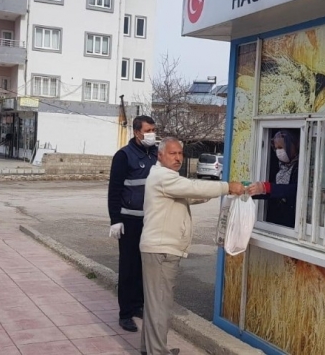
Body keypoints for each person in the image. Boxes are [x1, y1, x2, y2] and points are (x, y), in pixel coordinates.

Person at [139, 137, 245, 355]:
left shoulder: (166, 178)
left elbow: (190, 194)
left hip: (159, 249)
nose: (178, 158)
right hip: (161, 250)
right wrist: (226, 187)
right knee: (160, 307)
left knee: (155, 305)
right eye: (172, 153)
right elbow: (192, 187)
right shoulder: (163, 177)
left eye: (180, 153)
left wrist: (207, 195)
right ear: (160, 155)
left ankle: (149, 349)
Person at [108, 115, 157, 332]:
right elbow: (114, 190)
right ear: (137, 132)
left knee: (144, 266)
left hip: (151, 220)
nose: (152, 134)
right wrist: (115, 220)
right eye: (148, 130)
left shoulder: (156, 154)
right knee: (128, 267)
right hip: (129, 220)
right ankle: (125, 313)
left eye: (154, 129)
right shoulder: (123, 156)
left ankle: (137, 305)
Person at [247, 130, 299, 227]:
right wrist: (251, 190)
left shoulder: (301, 166)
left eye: (281, 147)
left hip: (293, 224)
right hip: (276, 221)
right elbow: (272, 192)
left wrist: (266, 187)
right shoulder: (280, 166)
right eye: (276, 148)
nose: (279, 151)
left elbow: (296, 190)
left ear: (293, 146)